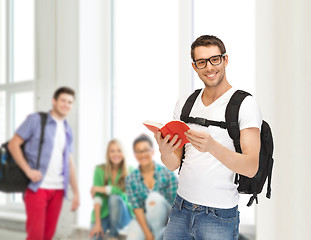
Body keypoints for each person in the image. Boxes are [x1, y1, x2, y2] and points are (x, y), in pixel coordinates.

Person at [154, 35, 262, 240]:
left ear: (225, 60)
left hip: (218, 215)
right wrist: (165, 150)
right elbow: (172, 163)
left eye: (215, 59)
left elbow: (251, 166)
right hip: (180, 208)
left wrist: (212, 146)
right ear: (195, 66)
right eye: (202, 62)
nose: (209, 67)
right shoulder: (185, 103)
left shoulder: (244, 104)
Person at [8, 87, 79, 240]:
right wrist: (28, 171)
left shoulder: (68, 130)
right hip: (37, 187)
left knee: (48, 236)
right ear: (54, 101)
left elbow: (69, 163)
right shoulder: (35, 120)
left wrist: (76, 192)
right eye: (63, 100)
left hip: (58, 189)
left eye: (70, 102)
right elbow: (13, 145)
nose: (66, 105)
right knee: (36, 236)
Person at [125, 134, 178, 240]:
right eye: (139, 151)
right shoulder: (131, 179)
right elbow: (137, 208)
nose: (142, 154)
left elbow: (176, 205)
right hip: (145, 220)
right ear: (135, 155)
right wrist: (148, 234)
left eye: (145, 150)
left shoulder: (167, 173)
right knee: (133, 234)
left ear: (152, 151)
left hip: (167, 219)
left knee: (154, 198)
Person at [89, 139, 133, 240]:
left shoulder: (129, 170)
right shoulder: (99, 170)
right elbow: (97, 198)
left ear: (123, 153)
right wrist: (98, 224)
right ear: (108, 154)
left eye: (119, 150)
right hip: (104, 215)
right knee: (95, 237)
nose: (116, 154)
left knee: (114, 198)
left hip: (123, 215)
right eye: (112, 151)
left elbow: (121, 191)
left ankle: (113, 235)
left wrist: (100, 188)